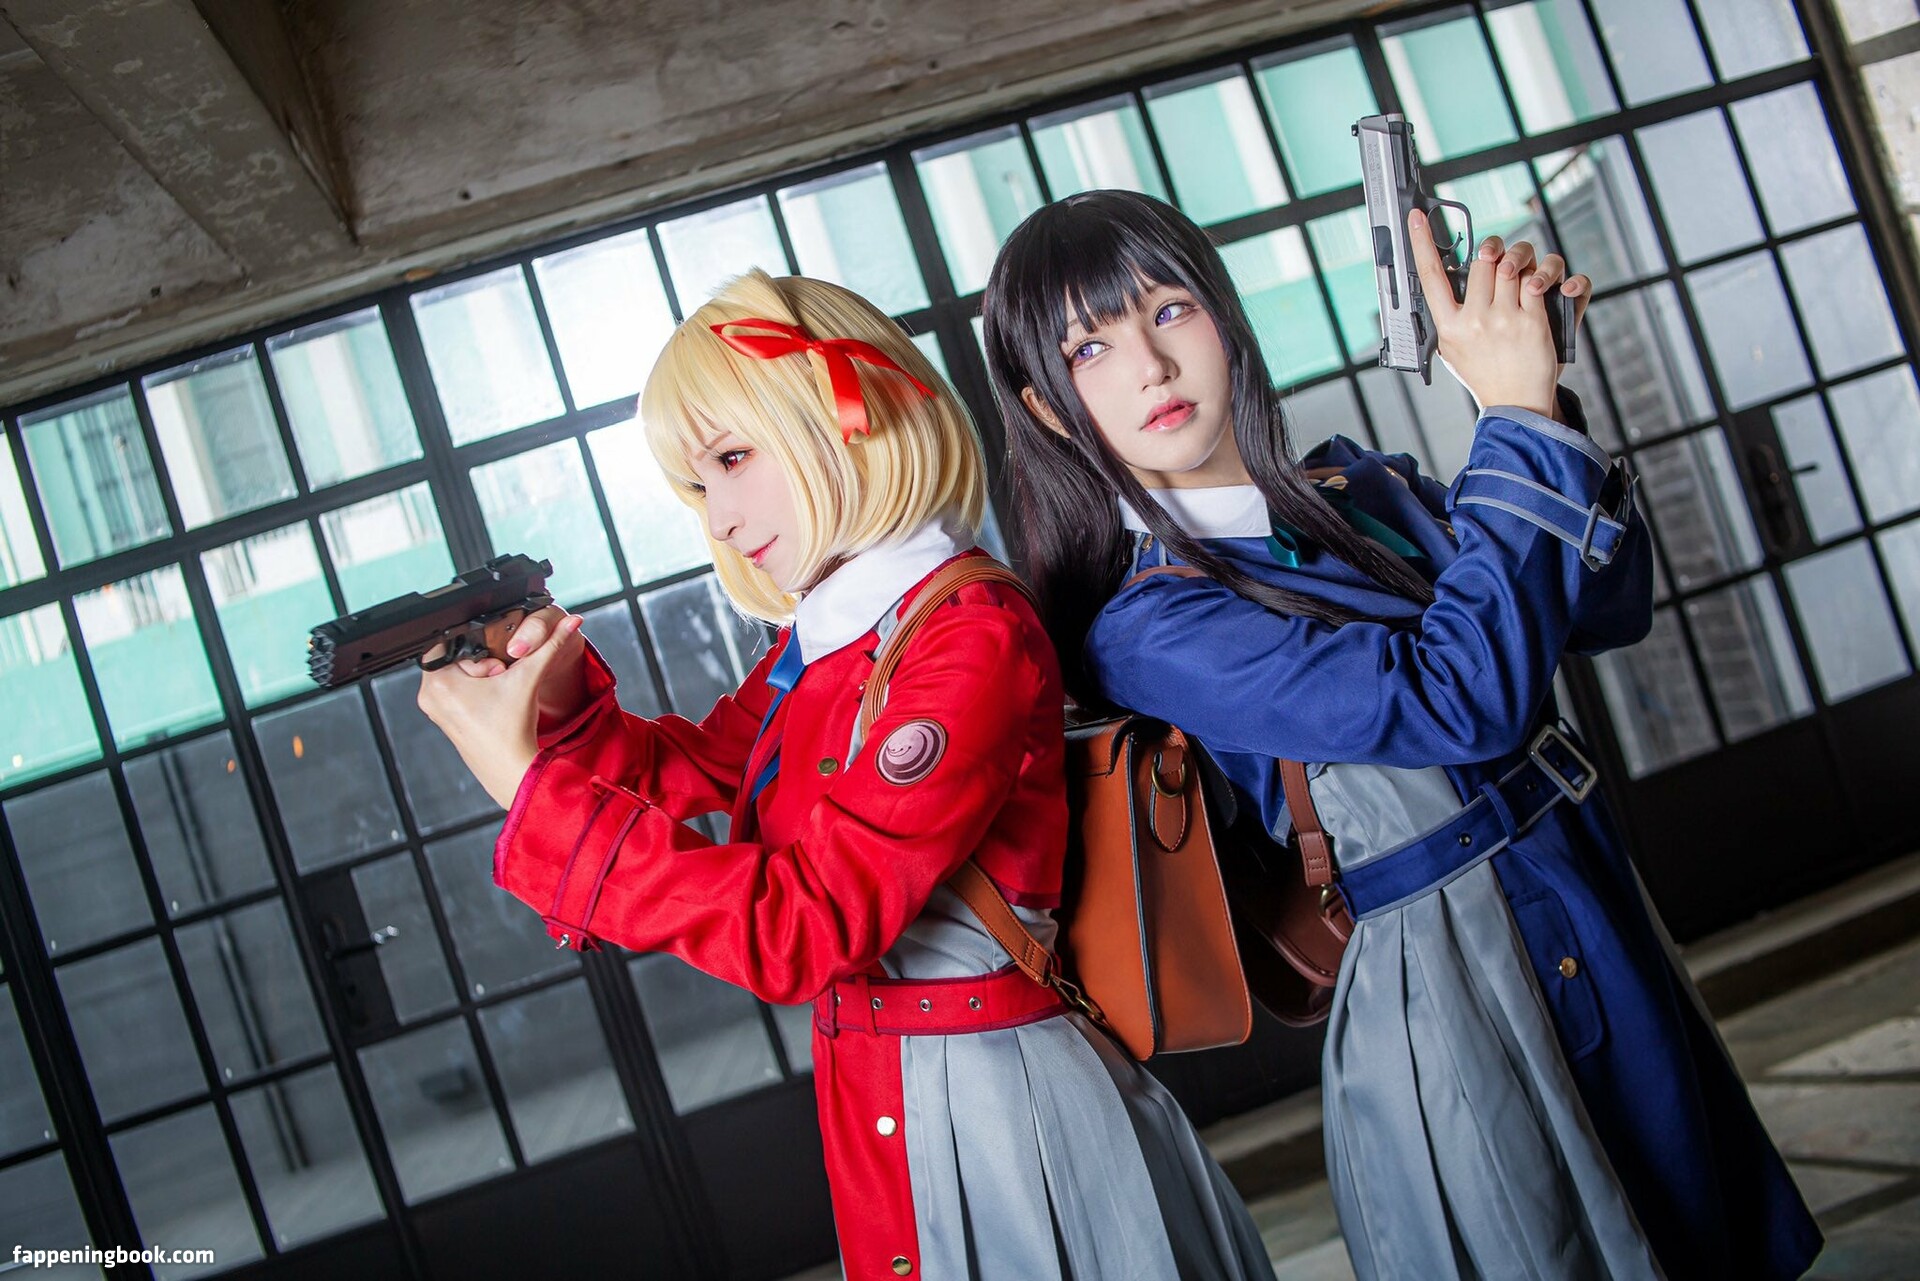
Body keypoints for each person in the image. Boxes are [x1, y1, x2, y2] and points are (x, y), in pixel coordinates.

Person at [981, 190, 1822, 1281]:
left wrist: (1543, 405)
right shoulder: (1149, 623)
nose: (1149, 365)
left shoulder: (1358, 485)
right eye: (1090, 348)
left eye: (1169, 309)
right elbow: (1456, 701)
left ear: (1223, 317)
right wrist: (1511, 422)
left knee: (1697, 1225)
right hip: (1462, 963)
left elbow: (1606, 609)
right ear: (1048, 410)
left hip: (1584, 894)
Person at [416, 268, 1277, 1281]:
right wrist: (556, 704)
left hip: (1003, 1109)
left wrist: (530, 788)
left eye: (733, 458)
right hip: (898, 1090)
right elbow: (702, 769)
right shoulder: (838, 637)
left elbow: (806, 925)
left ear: (843, 416)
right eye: (700, 486)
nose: (721, 518)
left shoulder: (965, 637)